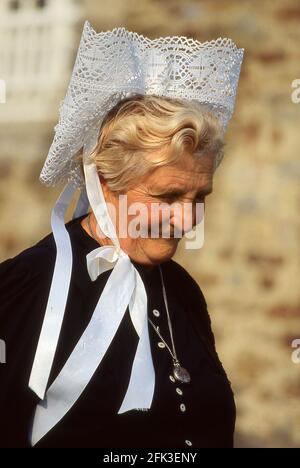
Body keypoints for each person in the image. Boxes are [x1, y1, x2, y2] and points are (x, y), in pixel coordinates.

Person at [0, 22, 244, 448]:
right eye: (168, 196)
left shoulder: (182, 293)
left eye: (199, 195)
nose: (187, 221)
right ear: (106, 181)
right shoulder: (25, 290)